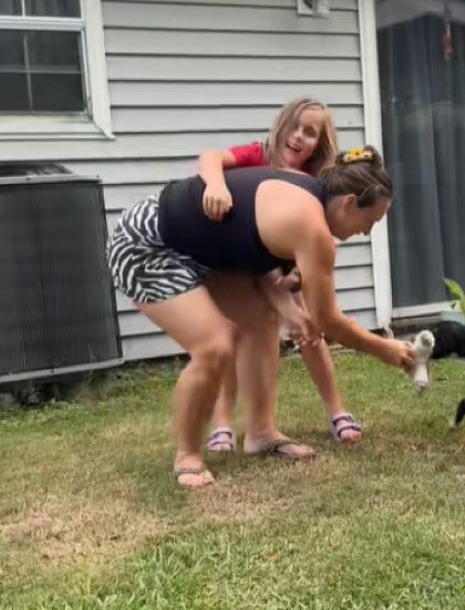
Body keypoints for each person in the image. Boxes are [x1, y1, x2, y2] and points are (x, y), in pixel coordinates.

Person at [107, 147, 415, 488]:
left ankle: (261, 433)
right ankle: (188, 456)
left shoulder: (310, 193)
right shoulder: (311, 226)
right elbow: (329, 321)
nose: (368, 231)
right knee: (215, 345)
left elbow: (245, 238)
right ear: (347, 203)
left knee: (262, 322)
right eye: (370, 221)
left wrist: (288, 308)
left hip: (202, 252)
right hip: (147, 244)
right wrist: (385, 348)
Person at [197, 99, 364, 452]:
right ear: (281, 126)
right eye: (295, 127)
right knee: (232, 334)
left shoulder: (314, 182)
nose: (299, 137)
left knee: (309, 327)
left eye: (310, 133)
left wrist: (297, 279)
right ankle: (223, 422)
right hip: (238, 264)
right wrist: (215, 184)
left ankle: (337, 411)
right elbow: (212, 157)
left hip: (280, 268)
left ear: (319, 144)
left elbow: (315, 242)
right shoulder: (256, 156)